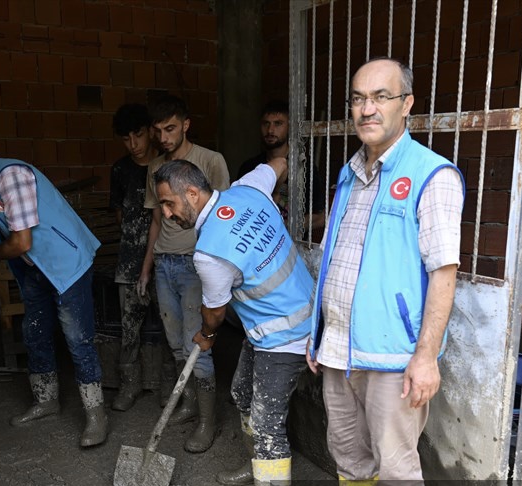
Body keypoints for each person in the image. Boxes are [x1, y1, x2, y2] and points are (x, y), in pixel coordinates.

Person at [306, 57, 465, 482]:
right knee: (349, 459)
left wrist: (426, 357)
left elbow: (443, 272)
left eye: (381, 97)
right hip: (338, 351)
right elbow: (335, 259)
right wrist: (318, 332)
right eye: (358, 99)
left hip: (393, 358)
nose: (367, 109)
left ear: (406, 103)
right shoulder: (349, 173)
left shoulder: (431, 175)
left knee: (395, 469)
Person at [153, 157, 314, 485]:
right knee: (242, 394)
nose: (167, 214)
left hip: (286, 336)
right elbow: (281, 163)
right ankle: (255, 466)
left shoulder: (209, 254)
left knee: (267, 424)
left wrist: (207, 335)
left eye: (169, 204)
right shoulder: (248, 189)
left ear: (193, 194)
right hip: (274, 325)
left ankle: (269, 478)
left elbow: (215, 314)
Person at [0, 139, 108, 448]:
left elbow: (20, 243)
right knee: (35, 332)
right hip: (34, 269)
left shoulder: (10, 177)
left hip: (66, 263)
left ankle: (96, 415)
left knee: (77, 338)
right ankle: (46, 401)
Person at [139, 94, 230, 453]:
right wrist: (147, 267)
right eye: (157, 131)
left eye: (170, 128)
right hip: (164, 263)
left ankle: (207, 421)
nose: (163, 138)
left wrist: (217, 267)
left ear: (186, 124)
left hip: (197, 263)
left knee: (199, 344)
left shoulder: (210, 161)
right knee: (176, 342)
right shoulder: (155, 168)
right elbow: (156, 220)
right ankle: (190, 403)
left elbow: (226, 211)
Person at [108, 103, 158, 411]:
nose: (133, 145)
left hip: (163, 259)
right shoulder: (120, 170)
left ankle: (169, 386)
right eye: (126, 139)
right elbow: (119, 215)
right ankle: (129, 386)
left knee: (170, 329)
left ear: (149, 133)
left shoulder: (166, 166)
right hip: (129, 261)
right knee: (129, 328)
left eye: (138, 136)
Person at [237, 100, 327, 236]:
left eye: (278, 123)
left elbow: (320, 218)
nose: (270, 130)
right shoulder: (249, 167)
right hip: (255, 245)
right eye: (266, 124)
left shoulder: (304, 168)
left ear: (290, 127)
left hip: (291, 247)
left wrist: (281, 230)